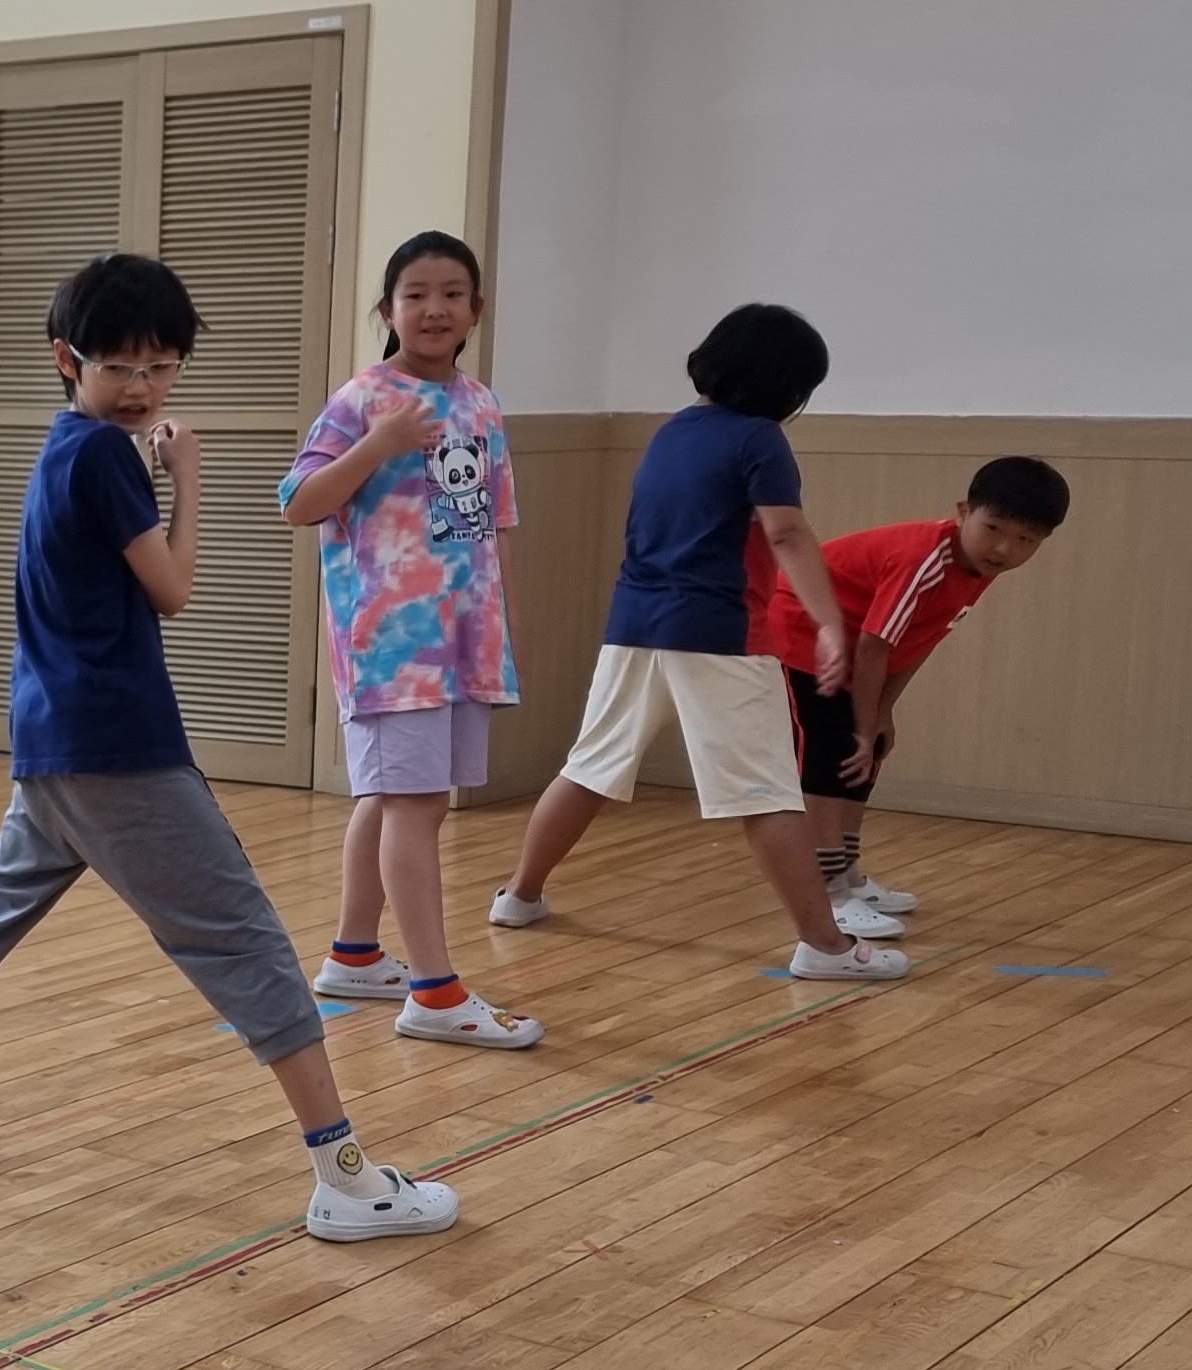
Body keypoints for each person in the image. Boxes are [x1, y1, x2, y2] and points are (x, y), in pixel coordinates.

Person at [0, 253, 456, 1244]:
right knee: (246, 943)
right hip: (118, 751)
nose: (141, 387)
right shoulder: (108, 457)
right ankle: (347, 1179)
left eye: (160, 366)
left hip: (52, 747)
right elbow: (173, 589)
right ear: (67, 359)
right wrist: (187, 479)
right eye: (118, 366)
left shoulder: (61, 447)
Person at [490, 303, 907, 981]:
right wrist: (830, 621)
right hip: (720, 635)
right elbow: (786, 532)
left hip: (634, 627)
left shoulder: (671, 433)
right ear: (786, 385)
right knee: (767, 793)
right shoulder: (761, 439)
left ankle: (519, 895)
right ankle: (825, 947)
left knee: (589, 767)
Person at [282, 229, 539, 1048]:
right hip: (391, 645)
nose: (434, 309)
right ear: (387, 309)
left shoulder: (480, 402)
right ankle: (434, 992)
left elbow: (491, 524)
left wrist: (504, 629)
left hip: (463, 643)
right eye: (416, 294)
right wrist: (379, 444)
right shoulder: (365, 397)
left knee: (393, 799)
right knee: (415, 805)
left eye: (452, 294)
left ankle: (355, 955)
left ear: (476, 309)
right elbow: (298, 502)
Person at [758, 456, 1071, 935]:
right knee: (828, 758)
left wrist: (882, 714)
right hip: (803, 635)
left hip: (858, 650)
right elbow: (874, 646)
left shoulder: (978, 568)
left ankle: (848, 875)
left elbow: (919, 640)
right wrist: (863, 724)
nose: (1005, 548)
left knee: (868, 753)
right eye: (993, 528)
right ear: (964, 512)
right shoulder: (925, 559)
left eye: (1027, 540)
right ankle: (829, 891)